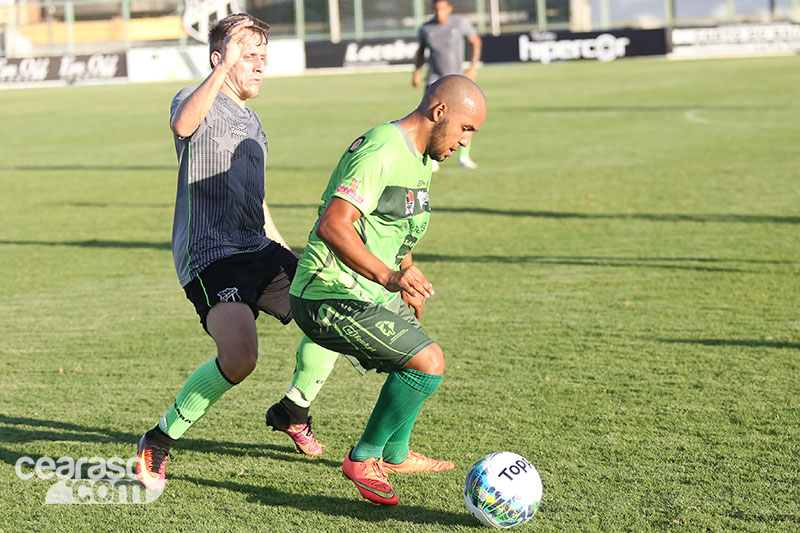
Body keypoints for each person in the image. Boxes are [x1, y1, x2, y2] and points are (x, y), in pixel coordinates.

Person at [135, 13, 322, 492]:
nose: (259, 66)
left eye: (263, 57)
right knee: (240, 359)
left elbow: (256, 201)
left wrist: (284, 250)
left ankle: (293, 410)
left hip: (256, 246)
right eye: (248, 56)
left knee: (328, 308)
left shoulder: (255, 126)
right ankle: (157, 440)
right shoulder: (194, 98)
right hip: (211, 254)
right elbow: (183, 123)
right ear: (219, 59)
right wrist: (222, 67)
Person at [287, 75, 487, 505]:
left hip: (368, 290)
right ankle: (364, 457)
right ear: (439, 113)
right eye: (465, 129)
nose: (466, 143)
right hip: (326, 293)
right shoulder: (383, 147)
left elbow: (397, 224)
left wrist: (407, 273)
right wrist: (390, 277)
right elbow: (333, 224)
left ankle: (395, 454)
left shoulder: (422, 158)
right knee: (428, 363)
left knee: (417, 358)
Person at [413, 0, 483, 171]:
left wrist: (473, 67)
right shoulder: (426, 28)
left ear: (449, 9)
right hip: (433, 81)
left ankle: (464, 157)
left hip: (456, 81)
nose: (439, 12)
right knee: (432, 118)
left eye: (442, 9)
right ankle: (432, 158)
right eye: (436, 9)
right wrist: (416, 70)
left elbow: (475, 42)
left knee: (464, 119)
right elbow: (421, 50)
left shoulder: (460, 23)